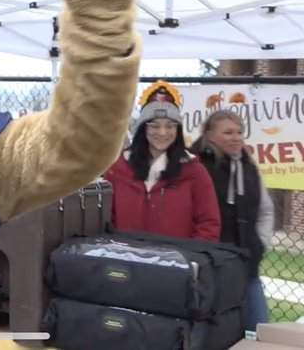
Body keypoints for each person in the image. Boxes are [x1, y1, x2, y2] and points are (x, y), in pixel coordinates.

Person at [190, 109, 276, 333]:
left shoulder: (248, 167)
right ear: (209, 135)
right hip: (209, 268)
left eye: (239, 132)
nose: (236, 137)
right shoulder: (194, 167)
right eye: (228, 132)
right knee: (212, 333)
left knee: (259, 330)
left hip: (247, 266)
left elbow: (266, 210)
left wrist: (261, 242)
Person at [103, 80, 221, 240]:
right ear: (143, 128)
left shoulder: (194, 171)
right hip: (127, 259)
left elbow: (208, 223)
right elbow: (106, 219)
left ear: (177, 130)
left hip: (176, 262)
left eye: (170, 126)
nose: (162, 132)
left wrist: (193, 260)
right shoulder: (117, 169)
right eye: (154, 125)